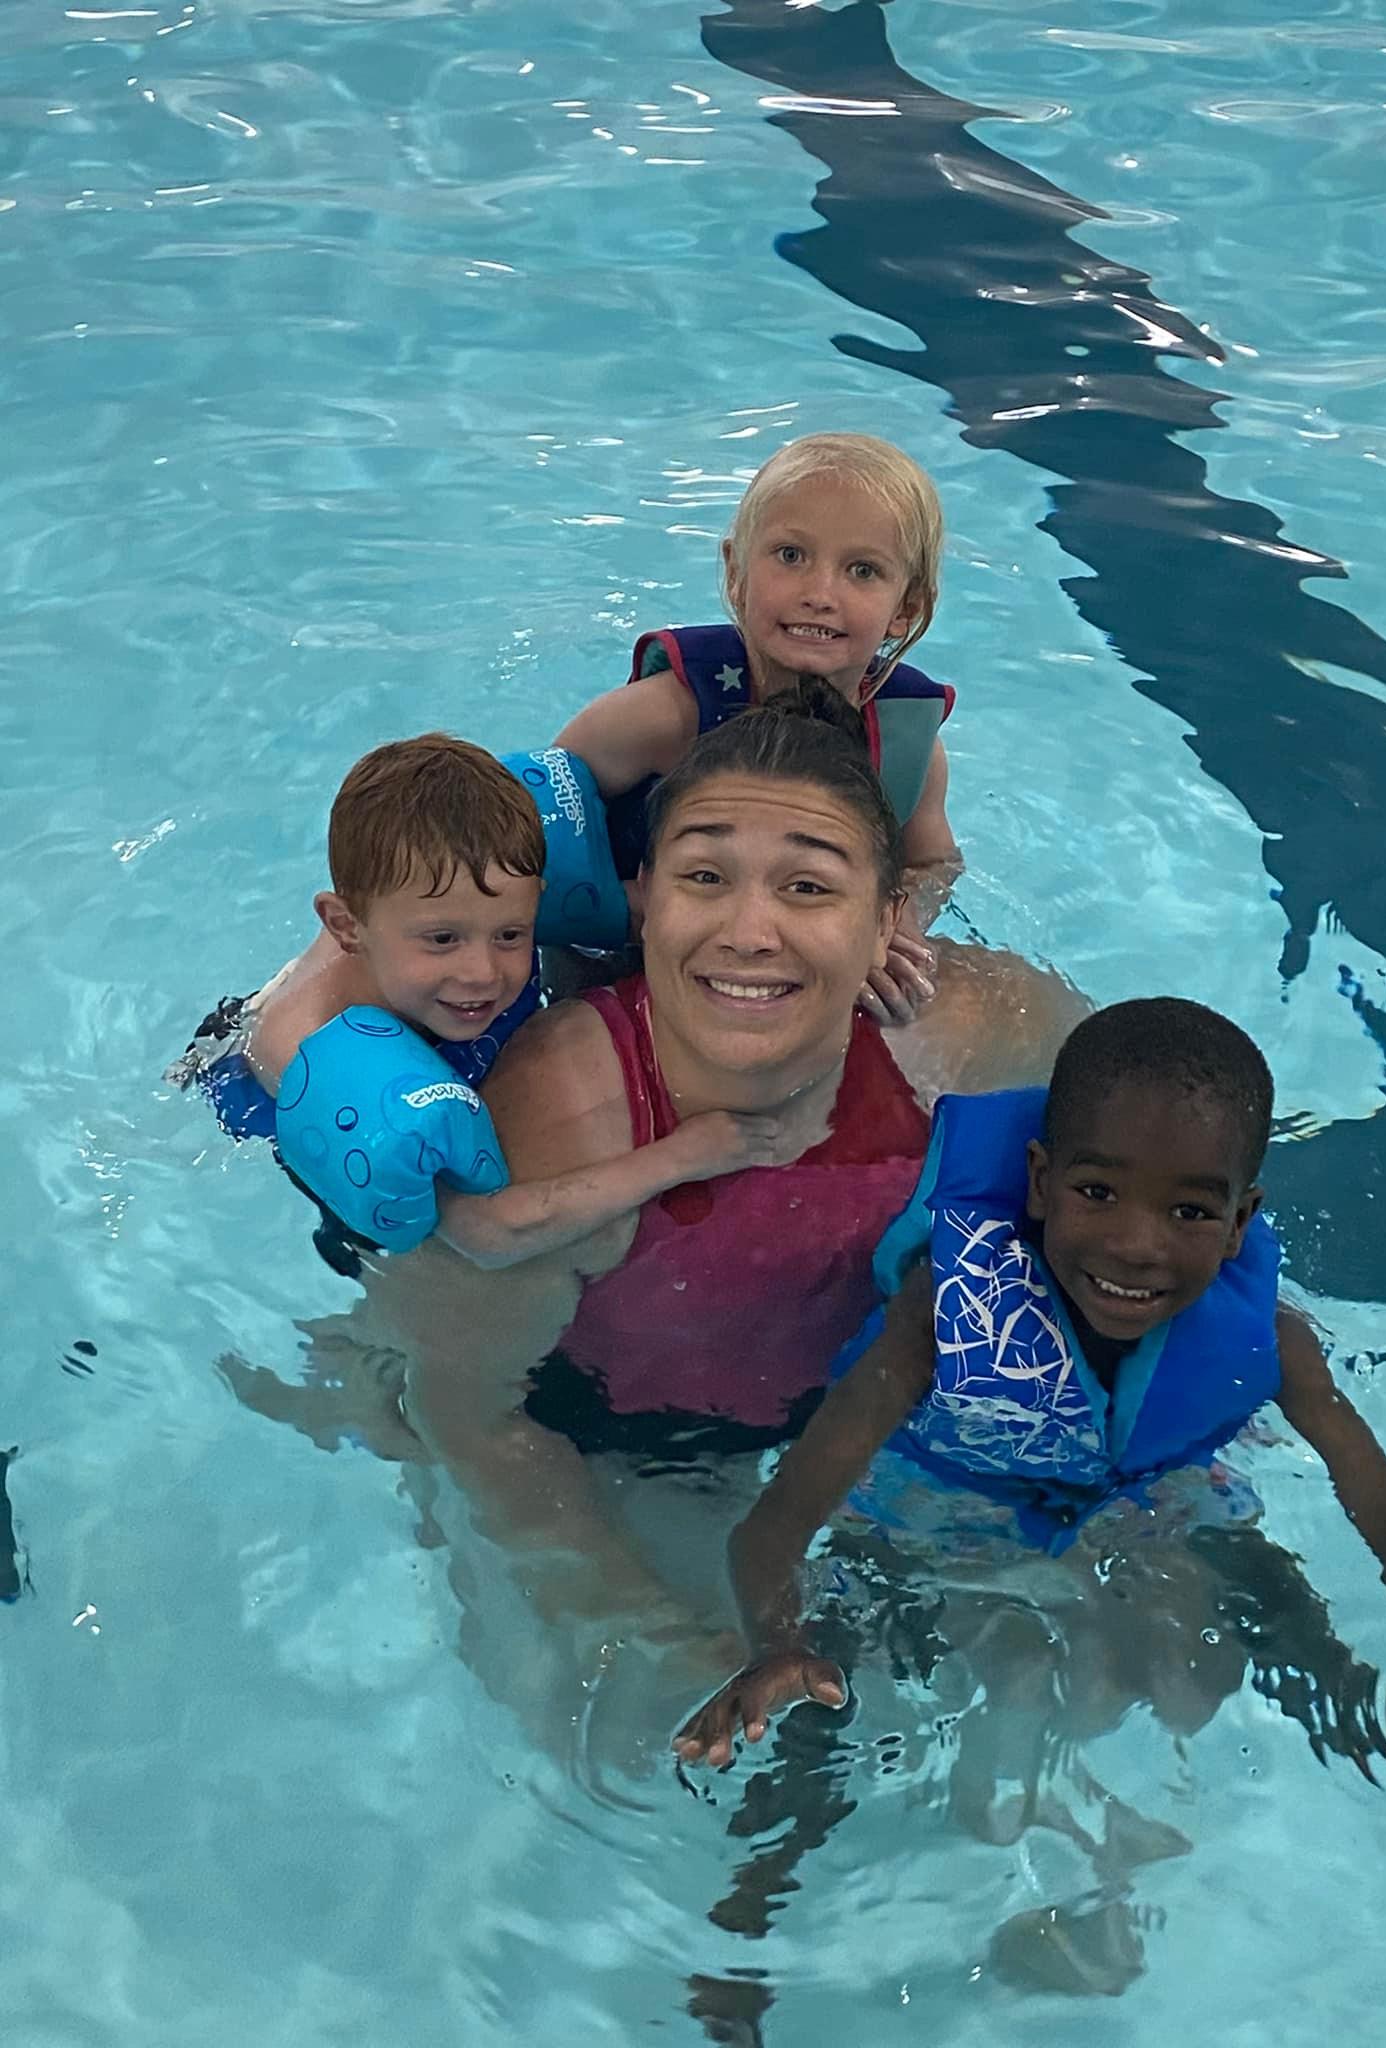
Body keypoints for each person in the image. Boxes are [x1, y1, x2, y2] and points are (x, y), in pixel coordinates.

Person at [349, 681, 1083, 1636]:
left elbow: (1166, 1170)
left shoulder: (971, 1039)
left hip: (872, 1417)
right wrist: (667, 1643)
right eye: (704, 877)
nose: (749, 932)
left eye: (810, 886)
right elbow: (472, 1419)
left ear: (887, 916)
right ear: (645, 894)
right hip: (622, 1448)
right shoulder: (562, 1130)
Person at [674, 998, 1386, 1805]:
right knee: (830, 1683)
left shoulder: (1278, 1345)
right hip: (937, 1501)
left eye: (1191, 1210)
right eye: (1097, 1193)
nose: (1136, 1245)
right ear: (1041, 1182)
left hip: (1142, 1499)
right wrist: (777, 1641)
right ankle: (754, 1913)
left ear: (1242, 1223)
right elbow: (778, 1525)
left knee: (1284, 1612)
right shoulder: (943, 1310)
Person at [172, 732, 780, 1274]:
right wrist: (684, 1156)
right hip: (303, 1103)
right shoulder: (314, 1053)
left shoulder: (447, 908)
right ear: (347, 926)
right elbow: (486, 1235)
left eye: (511, 934)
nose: (483, 973)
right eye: (444, 940)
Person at [553, 432, 959, 1026]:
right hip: (618, 956)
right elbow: (534, 818)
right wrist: (630, 909)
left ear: (907, 607)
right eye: (791, 556)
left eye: (863, 570)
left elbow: (932, 865)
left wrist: (890, 928)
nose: (820, 594)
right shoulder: (663, 716)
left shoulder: (904, 746)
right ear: (737, 573)